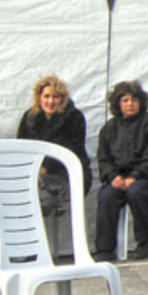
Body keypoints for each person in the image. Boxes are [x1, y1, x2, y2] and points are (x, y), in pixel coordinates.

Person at [94, 81, 148, 261]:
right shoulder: (109, 128)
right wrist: (113, 176)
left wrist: (135, 176)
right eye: (125, 100)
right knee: (106, 196)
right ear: (117, 103)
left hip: (147, 177)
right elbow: (103, 158)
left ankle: (144, 242)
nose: (130, 104)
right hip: (118, 178)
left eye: (134, 100)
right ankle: (105, 248)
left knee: (136, 192)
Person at [16, 75, 92, 216]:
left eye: (55, 97)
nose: (50, 101)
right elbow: (22, 148)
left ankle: (51, 204)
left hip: (67, 171)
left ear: (62, 99)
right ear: (39, 98)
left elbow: (72, 149)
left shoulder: (74, 117)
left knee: (42, 190)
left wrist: (46, 167)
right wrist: (35, 167)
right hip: (36, 171)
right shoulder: (29, 117)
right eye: (46, 96)